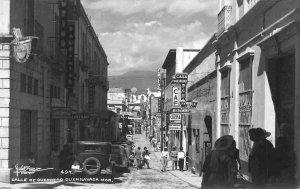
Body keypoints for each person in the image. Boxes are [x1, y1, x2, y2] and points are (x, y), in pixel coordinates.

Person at [273, 123, 296, 188]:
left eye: (283, 129)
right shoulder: (281, 139)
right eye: (282, 129)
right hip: (282, 164)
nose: (282, 131)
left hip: (286, 164)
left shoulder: (288, 139)